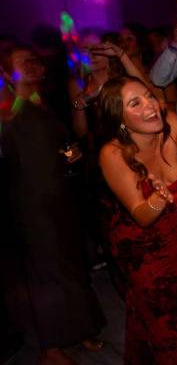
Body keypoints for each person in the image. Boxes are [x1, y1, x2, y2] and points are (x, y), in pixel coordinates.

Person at [98, 76, 177, 365]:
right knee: (166, 318)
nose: (150, 105)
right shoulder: (112, 154)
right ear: (120, 118)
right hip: (142, 245)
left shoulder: (171, 124)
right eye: (135, 103)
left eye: (149, 96)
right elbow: (141, 215)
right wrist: (156, 199)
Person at [1, 46, 106, 365]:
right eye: (22, 63)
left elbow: (62, 142)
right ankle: (52, 348)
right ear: (6, 74)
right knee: (46, 272)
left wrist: (71, 156)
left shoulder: (43, 102)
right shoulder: (7, 105)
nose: (32, 65)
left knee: (72, 263)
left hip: (61, 196)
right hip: (31, 203)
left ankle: (80, 328)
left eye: (35, 60)